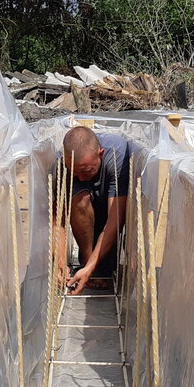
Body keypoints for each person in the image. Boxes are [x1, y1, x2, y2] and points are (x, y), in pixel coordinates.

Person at [55, 125, 138, 295]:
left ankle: (95, 268)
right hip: (83, 210)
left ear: (100, 154)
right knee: (79, 197)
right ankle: (86, 262)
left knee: (107, 264)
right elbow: (58, 220)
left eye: (86, 171)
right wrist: (60, 262)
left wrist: (94, 266)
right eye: (74, 173)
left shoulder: (117, 156)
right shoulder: (62, 163)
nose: (81, 178)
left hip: (105, 209)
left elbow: (114, 221)